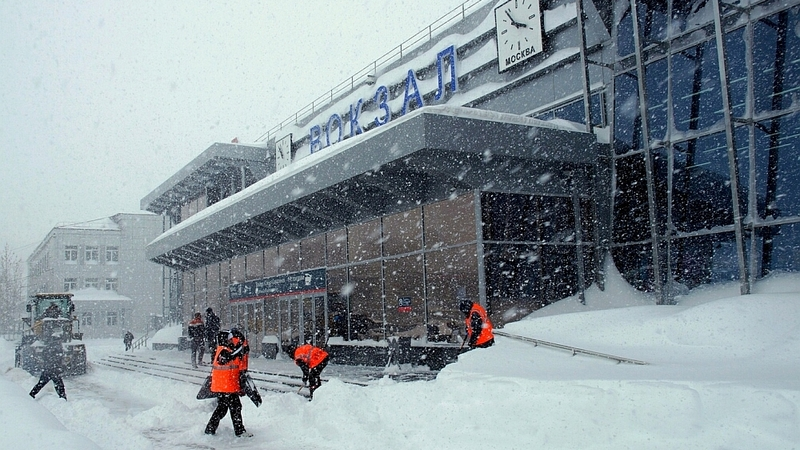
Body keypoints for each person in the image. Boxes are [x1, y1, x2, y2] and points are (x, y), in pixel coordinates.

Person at [204, 331, 252, 438]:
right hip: (226, 386)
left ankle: (210, 429)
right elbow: (229, 357)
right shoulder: (223, 351)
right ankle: (239, 431)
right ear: (224, 340)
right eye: (229, 339)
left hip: (226, 386)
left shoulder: (228, 350)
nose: (231, 341)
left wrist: (242, 342)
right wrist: (239, 348)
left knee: (222, 408)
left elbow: (238, 355)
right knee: (235, 407)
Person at [29, 335, 67, 400]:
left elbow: (44, 357)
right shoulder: (58, 348)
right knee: (59, 385)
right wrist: (60, 367)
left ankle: (31, 395)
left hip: (47, 369)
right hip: (54, 370)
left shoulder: (47, 347)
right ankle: (63, 398)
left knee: (40, 384)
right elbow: (59, 359)